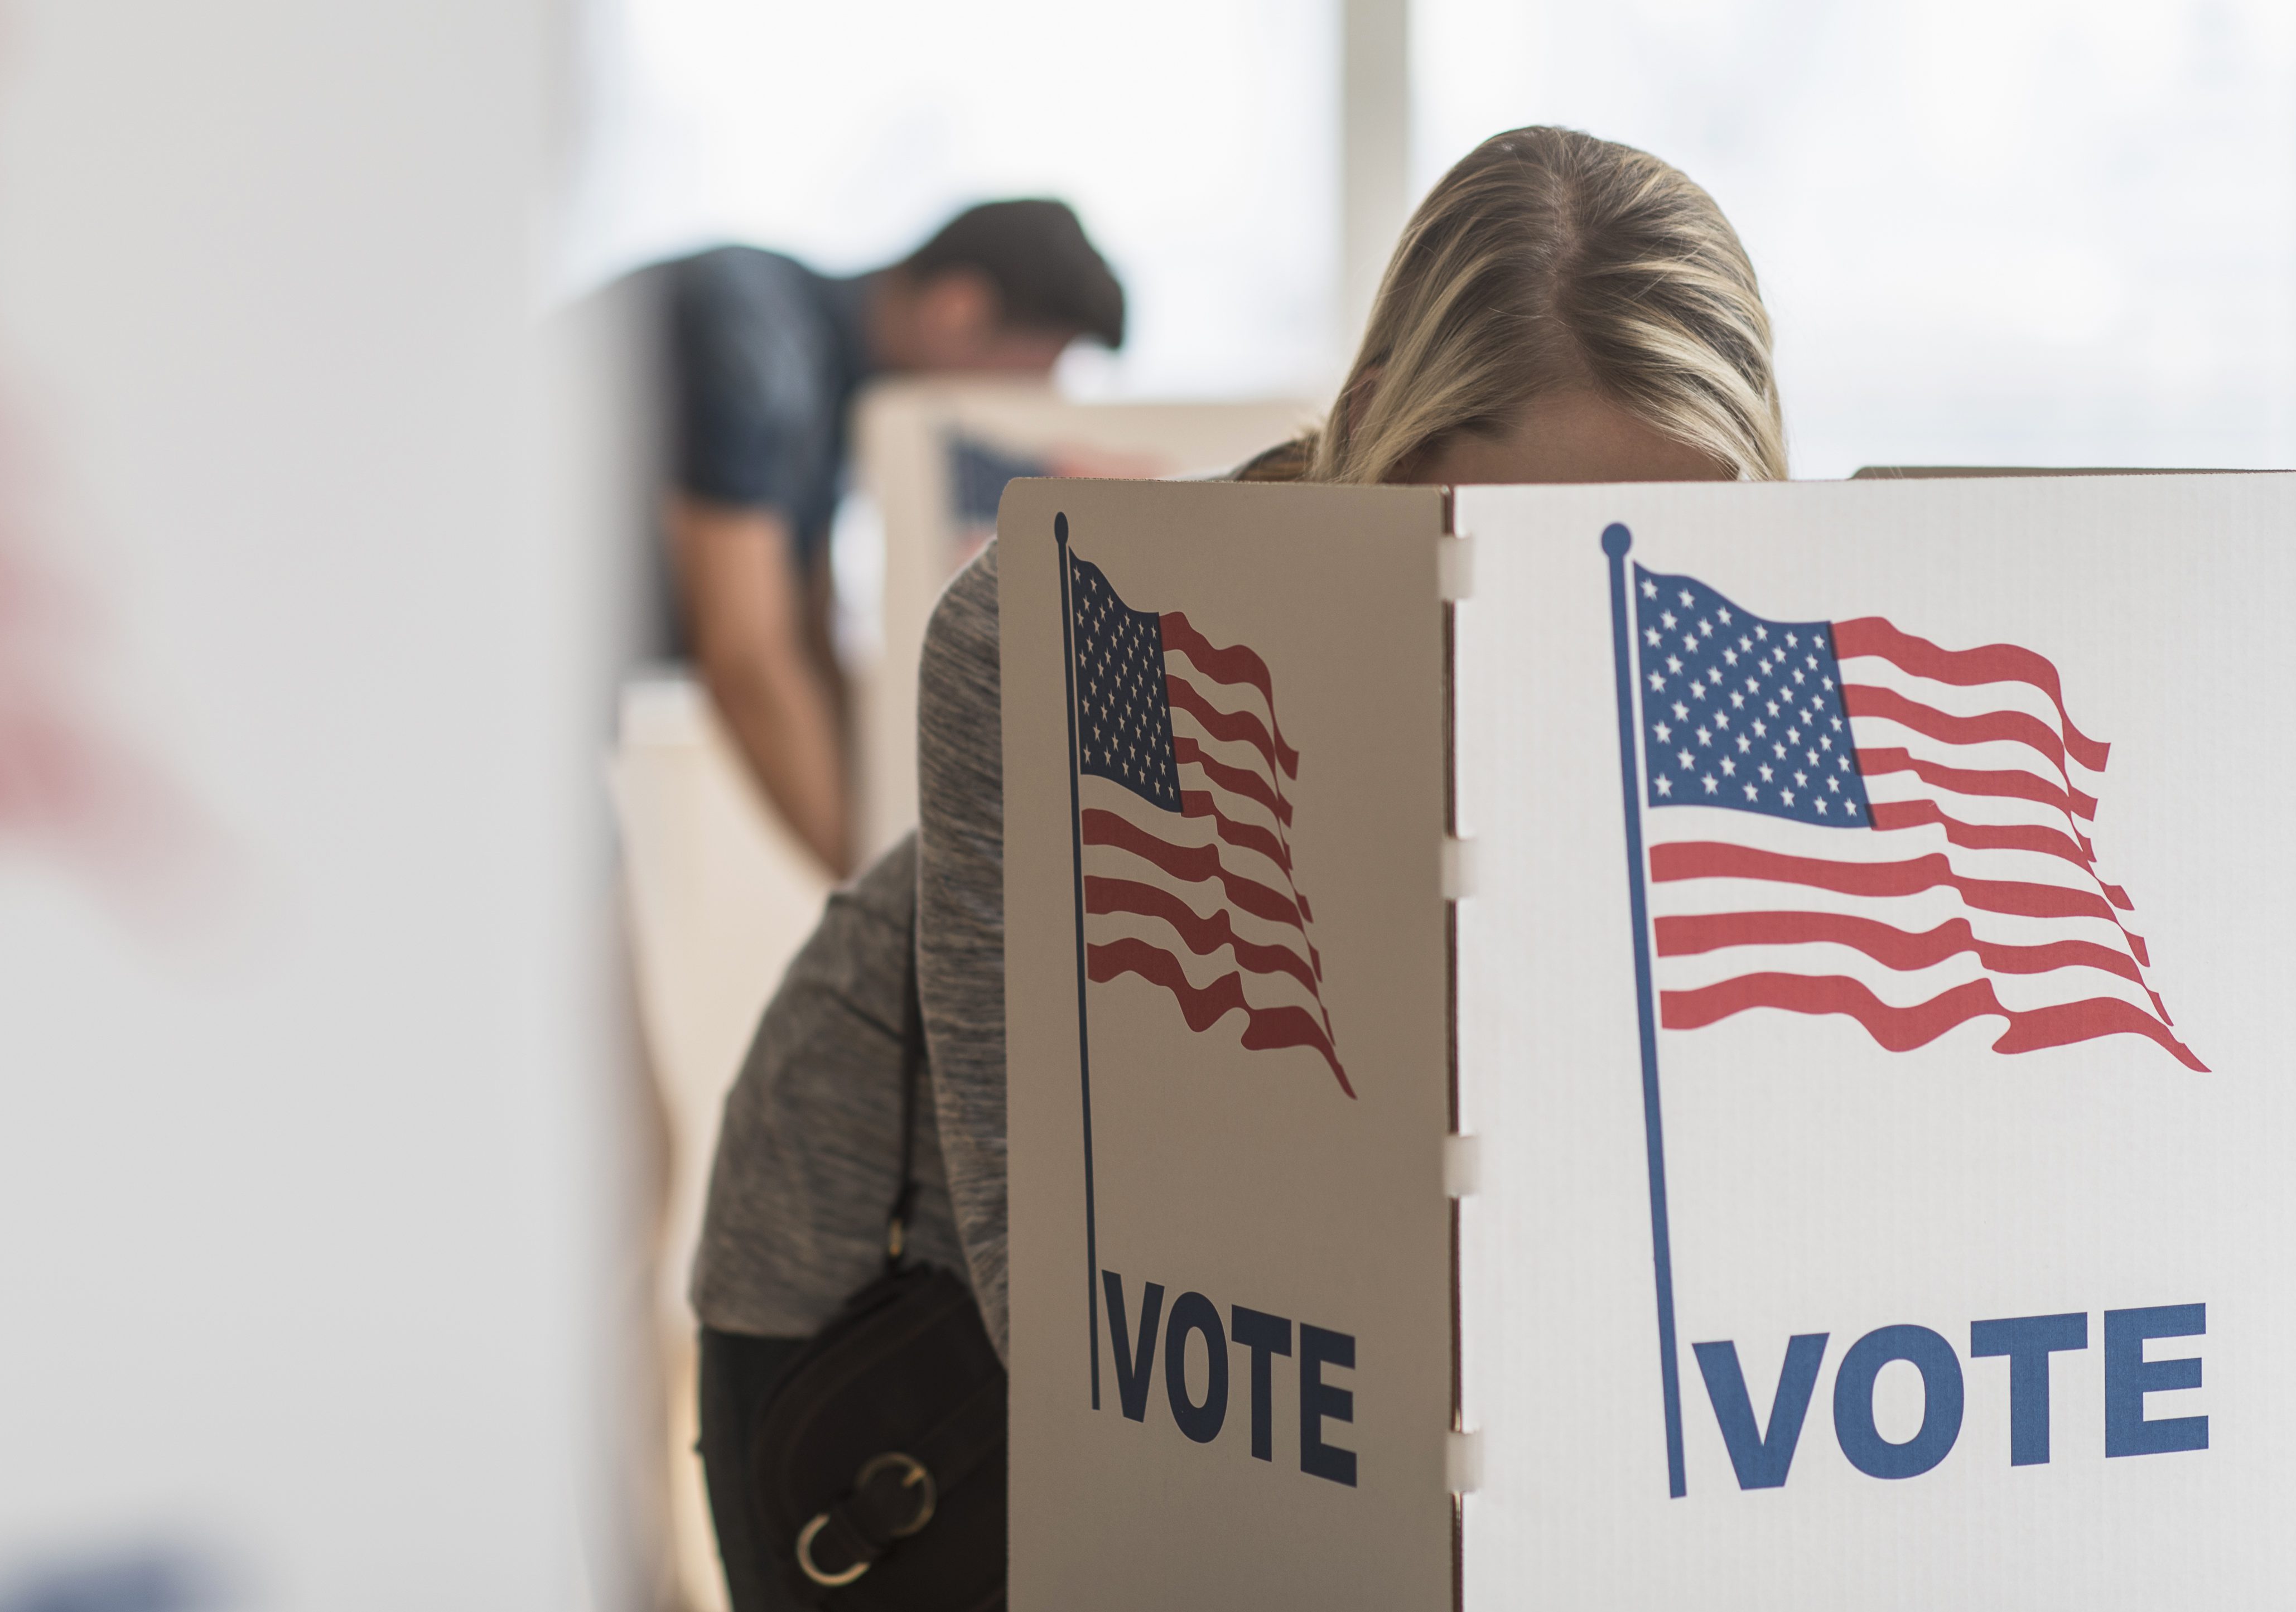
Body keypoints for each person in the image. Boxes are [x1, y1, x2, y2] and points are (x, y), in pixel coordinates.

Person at [686, 127, 1788, 1610]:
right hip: (902, 1310)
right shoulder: (1075, 627)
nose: (1578, 606)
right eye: (1503, 537)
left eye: (1647, 547)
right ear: (1387, 426)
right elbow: (1055, 1280)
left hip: (1295, 1351)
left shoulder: (1745, 659)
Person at [616, 200, 1127, 877]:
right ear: (957, 310)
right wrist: (887, 905)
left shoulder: (822, 383)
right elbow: (746, 655)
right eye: (1028, 373)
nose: (1018, 408)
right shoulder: (755, 348)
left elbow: (809, 633)